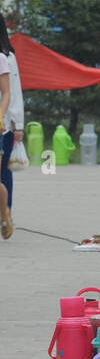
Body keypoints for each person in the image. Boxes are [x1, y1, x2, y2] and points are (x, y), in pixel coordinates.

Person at [0, 16, 23, 240]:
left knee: (3, 169)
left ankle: (6, 212)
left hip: (4, 124)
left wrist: (18, 124)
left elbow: (13, 93)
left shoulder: (7, 57)